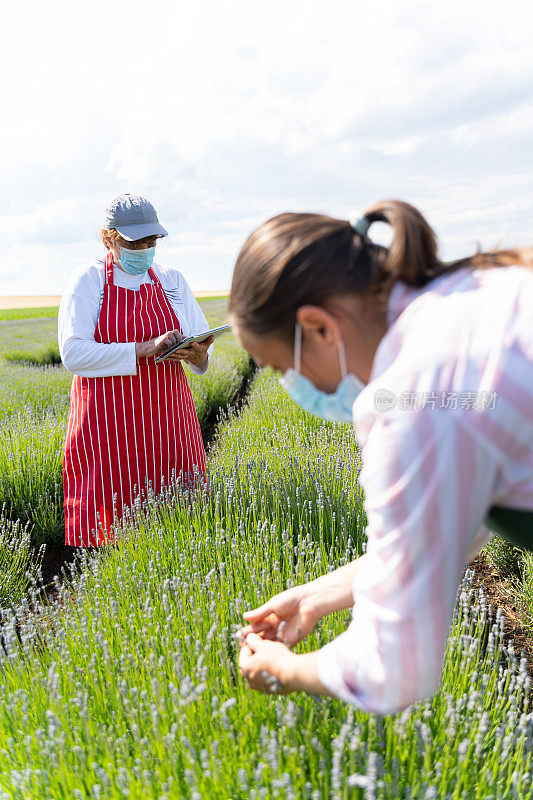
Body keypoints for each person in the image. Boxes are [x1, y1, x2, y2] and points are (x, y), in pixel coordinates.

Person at [230, 200, 533, 713]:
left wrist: (283, 670)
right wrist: (321, 594)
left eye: (281, 368)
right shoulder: (475, 292)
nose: (291, 386)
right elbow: (439, 529)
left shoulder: (413, 401)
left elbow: (393, 669)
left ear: (320, 327)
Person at [59, 193, 213, 547]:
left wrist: (196, 355)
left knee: (180, 522)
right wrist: (146, 348)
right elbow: (73, 353)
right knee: (113, 524)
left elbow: (202, 352)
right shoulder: (89, 280)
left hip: (170, 419)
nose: (145, 248)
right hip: (110, 425)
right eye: (135, 241)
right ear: (108, 238)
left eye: (151, 241)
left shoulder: (171, 279)